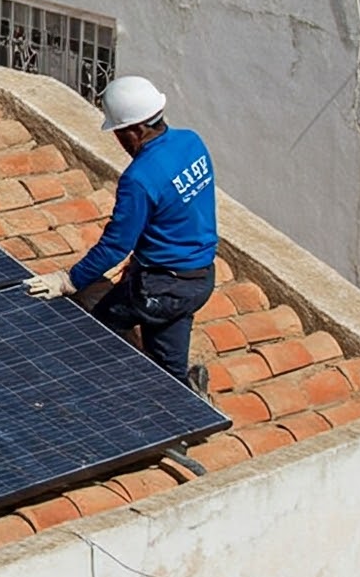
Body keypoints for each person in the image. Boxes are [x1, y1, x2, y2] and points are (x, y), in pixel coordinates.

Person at [26, 76, 218, 391]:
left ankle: (115, 401)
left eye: (117, 133)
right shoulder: (192, 142)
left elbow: (116, 245)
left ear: (133, 131)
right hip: (198, 279)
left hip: (161, 288)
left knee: (98, 329)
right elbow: (176, 212)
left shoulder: (140, 178)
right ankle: (187, 402)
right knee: (167, 363)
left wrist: (68, 280)